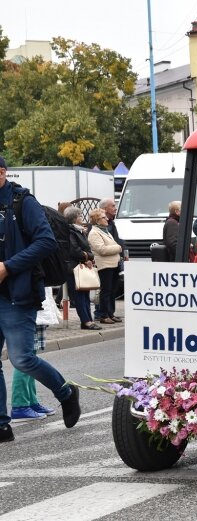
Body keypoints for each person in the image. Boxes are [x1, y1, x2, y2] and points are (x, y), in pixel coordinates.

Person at [0, 155, 81, 442]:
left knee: (22, 359)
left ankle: (66, 392)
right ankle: (1, 424)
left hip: (16, 292)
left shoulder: (23, 202)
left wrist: (8, 266)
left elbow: (45, 241)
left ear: (2, 172)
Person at [11, 288, 59, 421]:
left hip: (33, 311)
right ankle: (19, 405)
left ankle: (31, 402)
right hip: (28, 311)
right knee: (25, 360)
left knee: (30, 358)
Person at [64, 206, 100, 330]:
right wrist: (87, 257)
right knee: (79, 296)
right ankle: (85, 321)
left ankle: (88, 320)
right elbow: (74, 250)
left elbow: (87, 249)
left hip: (82, 265)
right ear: (74, 218)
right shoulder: (69, 231)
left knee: (85, 295)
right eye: (79, 215)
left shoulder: (79, 231)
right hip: (74, 267)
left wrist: (89, 257)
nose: (81, 217)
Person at [88, 208, 122, 325]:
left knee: (112, 290)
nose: (106, 219)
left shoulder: (105, 231)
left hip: (113, 264)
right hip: (105, 265)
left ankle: (109, 313)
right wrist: (118, 248)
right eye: (103, 217)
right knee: (105, 291)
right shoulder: (94, 233)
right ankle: (102, 315)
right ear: (97, 220)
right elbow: (102, 250)